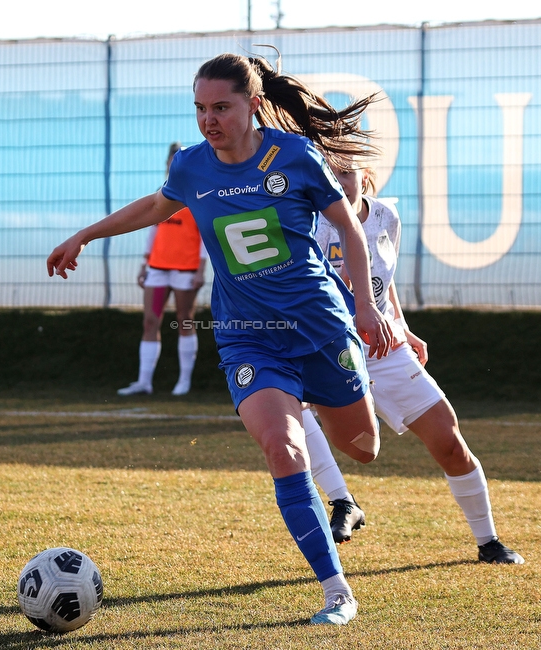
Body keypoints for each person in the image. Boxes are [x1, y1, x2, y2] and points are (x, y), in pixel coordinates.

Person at [48, 51, 398, 625]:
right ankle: (338, 592)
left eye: (221, 107)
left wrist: (366, 306)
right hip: (248, 337)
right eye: (200, 108)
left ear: (254, 105)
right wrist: (85, 235)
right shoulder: (191, 167)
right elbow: (156, 206)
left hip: (320, 326)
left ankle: (314, 399)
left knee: (364, 448)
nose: (209, 119)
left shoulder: (295, 156)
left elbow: (350, 230)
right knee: (283, 449)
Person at [307, 157, 524, 564]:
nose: (338, 182)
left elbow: (384, 282)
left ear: (365, 177)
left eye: (346, 173)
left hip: (385, 348)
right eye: (329, 174)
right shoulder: (308, 222)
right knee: (293, 410)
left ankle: (489, 542)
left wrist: (401, 325)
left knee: (449, 439)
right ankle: (343, 500)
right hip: (329, 348)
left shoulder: (386, 216)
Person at [119, 142, 208, 397]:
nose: (174, 162)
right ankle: (143, 382)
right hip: (157, 267)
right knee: (150, 321)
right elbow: (153, 229)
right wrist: (144, 264)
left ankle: (184, 382)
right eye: (172, 158)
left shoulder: (199, 192)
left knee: (185, 321)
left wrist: (201, 270)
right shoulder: (162, 192)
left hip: (186, 268)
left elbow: (205, 236)